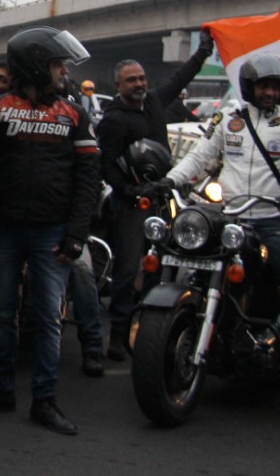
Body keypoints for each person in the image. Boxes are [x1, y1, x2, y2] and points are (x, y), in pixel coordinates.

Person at [163, 52, 280, 417]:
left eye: (275, 86)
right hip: (228, 216)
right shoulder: (229, 119)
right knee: (185, 258)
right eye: (263, 85)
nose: (269, 92)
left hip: (274, 217)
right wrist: (169, 180)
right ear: (250, 87)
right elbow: (200, 156)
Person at [0, 26, 100, 435]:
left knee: (47, 319)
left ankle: (45, 399)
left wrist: (76, 234)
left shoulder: (76, 114)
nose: (63, 72)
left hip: (52, 233)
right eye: (57, 63)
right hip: (4, 228)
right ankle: (1, 389)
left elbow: (88, 179)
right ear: (37, 65)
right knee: (0, 313)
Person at [96, 30, 214, 361]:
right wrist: (131, 191)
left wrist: (202, 53)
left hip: (162, 202)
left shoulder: (154, 104)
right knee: (127, 270)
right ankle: (118, 336)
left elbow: (178, 78)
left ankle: (148, 333)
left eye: (142, 78)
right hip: (131, 205)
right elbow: (107, 167)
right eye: (131, 80)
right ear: (118, 86)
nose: (139, 84)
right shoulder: (113, 121)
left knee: (159, 269)